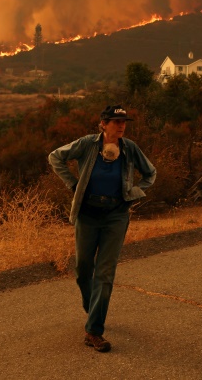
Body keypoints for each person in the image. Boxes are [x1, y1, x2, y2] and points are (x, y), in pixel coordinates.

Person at [48, 104, 157, 353]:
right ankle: (93, 309)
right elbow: (55, 156)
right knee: (83, 268)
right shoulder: (87, 144)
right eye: (115, 121)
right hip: (87, 214)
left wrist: (136, 191)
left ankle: (94, 331)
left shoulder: (130, 148)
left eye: (123, 122)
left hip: (115, 216)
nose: (121, 126)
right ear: (103, 124)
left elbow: (150, 173)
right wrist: (73, 184)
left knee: (105, 274)